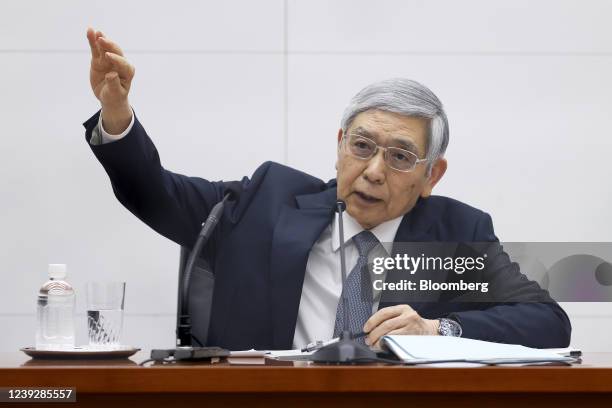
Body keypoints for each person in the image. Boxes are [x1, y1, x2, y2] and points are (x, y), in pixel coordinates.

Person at [83, 28, 571, 350]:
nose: (374, 171)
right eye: (362, 146)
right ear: (340, 145)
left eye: (400, 157)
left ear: (432, 176)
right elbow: (155, 195)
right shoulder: (265, 202)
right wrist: (117, 115)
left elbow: (548, 323)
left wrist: (436, 331)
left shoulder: (458, 232)